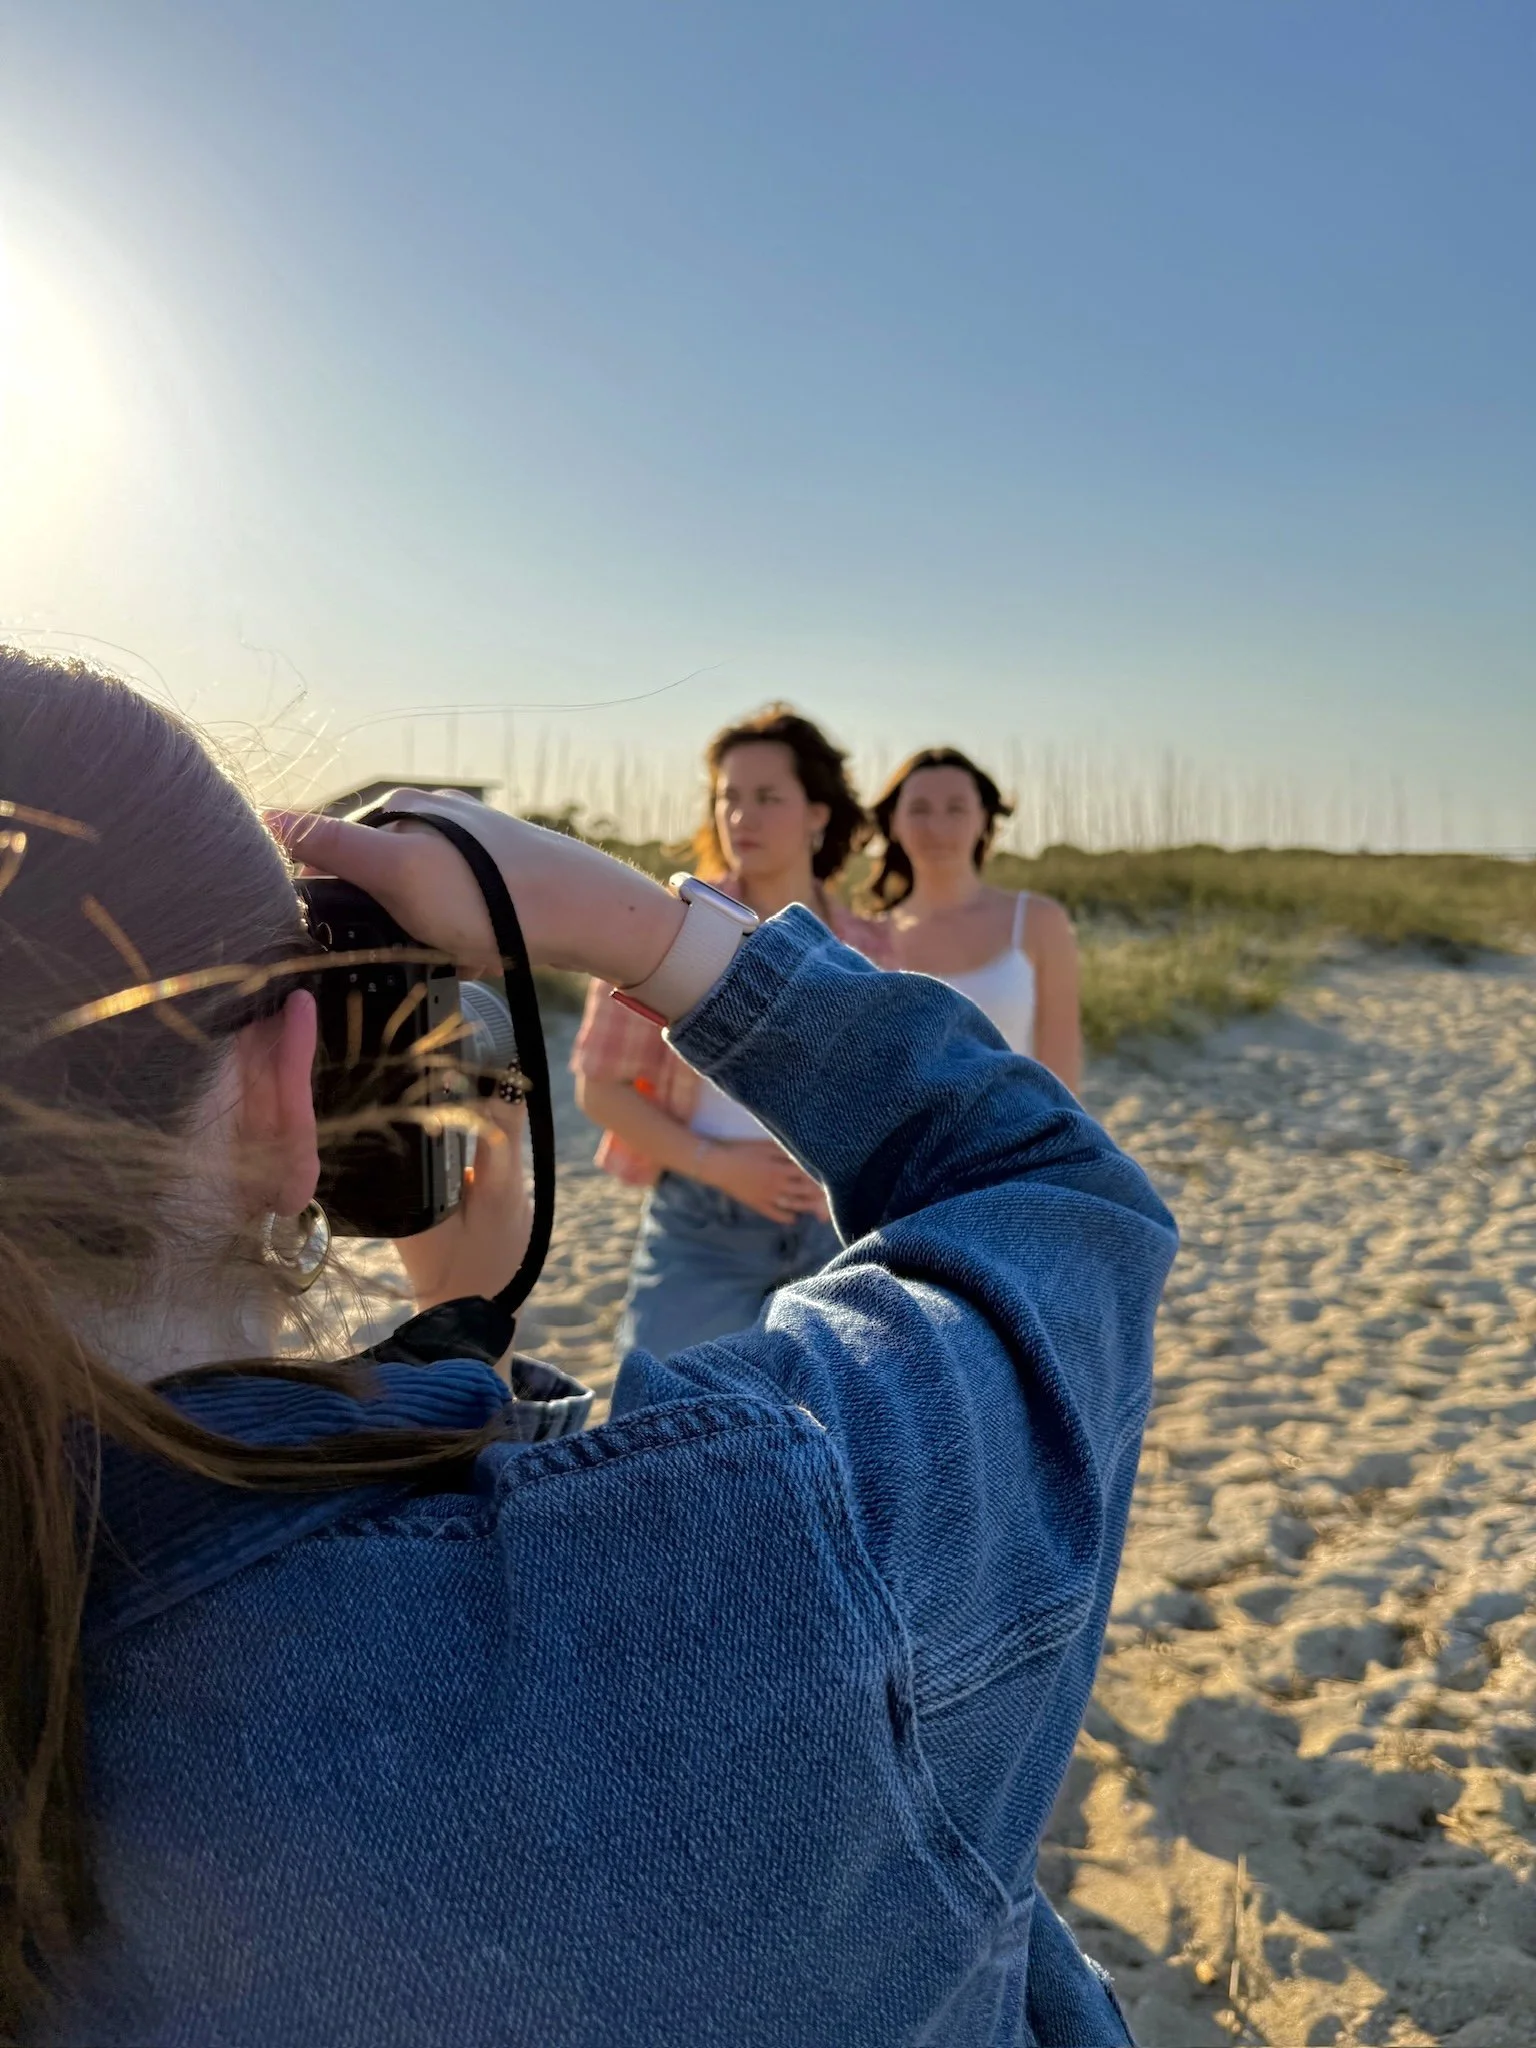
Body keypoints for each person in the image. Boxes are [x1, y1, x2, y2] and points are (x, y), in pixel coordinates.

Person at [2, 648, 1175, 2048]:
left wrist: (447, 1365)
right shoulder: (749, 1554)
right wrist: (635, 925)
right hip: (715, 1248)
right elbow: (1053, 1200)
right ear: (283, 1093)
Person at [572, 704, 892, 1359]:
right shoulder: (663, 929)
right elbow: (600, 1089)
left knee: (837, 1446)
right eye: (729, 798)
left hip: (846, 1232)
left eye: (768, 797)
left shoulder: (871, 946)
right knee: (663, 1430)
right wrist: (717, 1165)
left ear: (818, 812)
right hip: (701, 1224)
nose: (742, 817)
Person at [871, 747, 1083, 1089]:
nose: (937, 827)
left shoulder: (1038, 922)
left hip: (1018, 1138)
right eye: (919, 809)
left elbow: (1063, 1082)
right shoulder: (868, 938)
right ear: (894, 822)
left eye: (955, 809)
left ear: (984, 819)